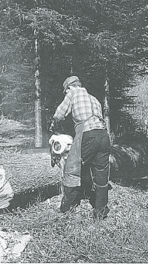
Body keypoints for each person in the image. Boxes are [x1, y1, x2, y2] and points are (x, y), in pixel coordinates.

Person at [51, 76, 111, 220]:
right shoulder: (94, 98)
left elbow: (59, 114)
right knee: (101, 174)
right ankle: (100, 212)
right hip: (103, 135)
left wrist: (54, 126)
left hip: (88, 135)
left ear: (69, 88)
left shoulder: (73, 94)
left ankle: (66, 207)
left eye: (66, 91)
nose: (66, 93)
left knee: (72, 168)